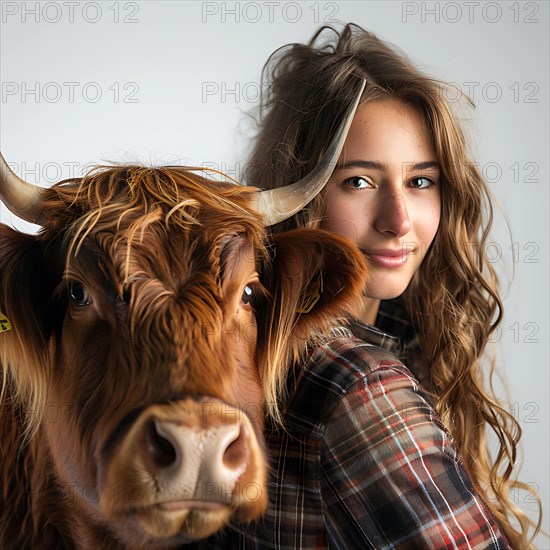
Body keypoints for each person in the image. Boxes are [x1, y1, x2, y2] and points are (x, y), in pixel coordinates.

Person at [199, 24, 540, 549]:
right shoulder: (357, 385)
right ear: (296, 194)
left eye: (420, 181)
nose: (398, 220)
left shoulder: (239, 350)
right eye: (358, 181)